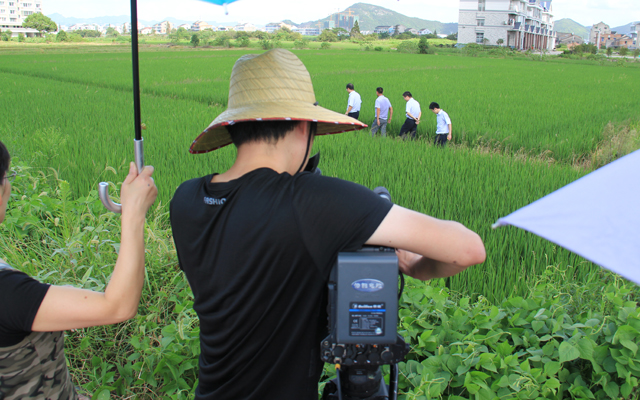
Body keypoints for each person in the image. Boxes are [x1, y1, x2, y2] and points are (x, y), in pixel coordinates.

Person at [170, 49, 485, 400]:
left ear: (234, 127)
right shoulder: (311, 201)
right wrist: (412, 264)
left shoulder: (186, 200)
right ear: (304, 126)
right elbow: (468, 249)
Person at [0, 140, 157, 400]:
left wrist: (52, 295)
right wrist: (134, 213)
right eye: (7, 177)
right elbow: (118, 307)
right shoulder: (9, 293)